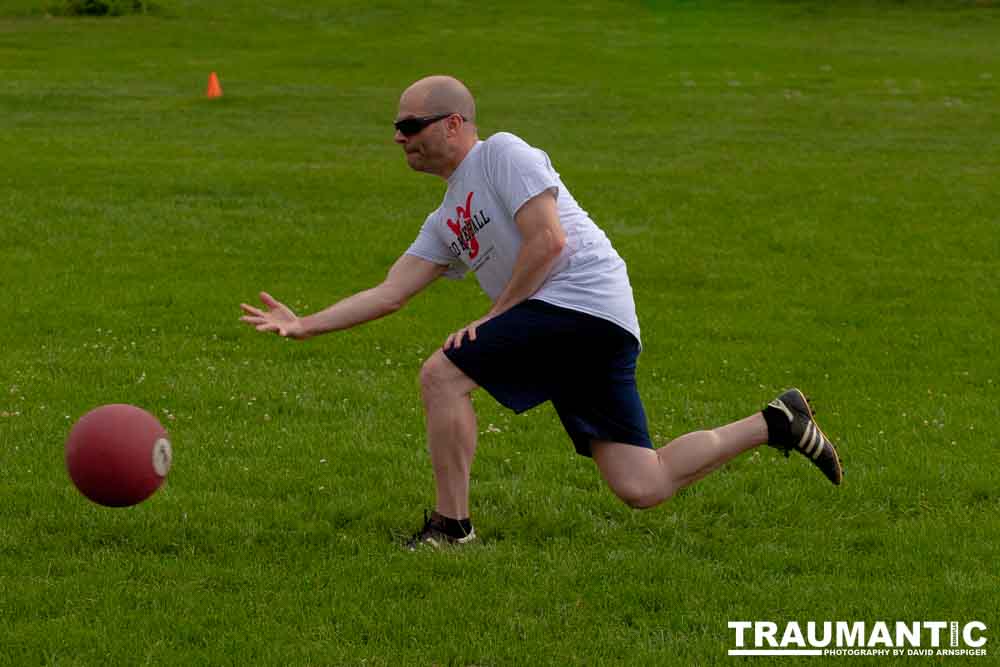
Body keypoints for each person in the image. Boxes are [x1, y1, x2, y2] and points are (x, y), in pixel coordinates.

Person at [240, 75, 842, 549]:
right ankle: (776, 422)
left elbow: (548, 241)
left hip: (581, 302)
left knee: (442, 374)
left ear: (454, 124)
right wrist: (305, 323)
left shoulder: (503, 153)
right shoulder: (446, 217)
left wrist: (499, 314)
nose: (399, 137)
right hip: (592, 323)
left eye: (409, 125)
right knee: (642, 484)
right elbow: (392, 290)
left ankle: (452, 529)